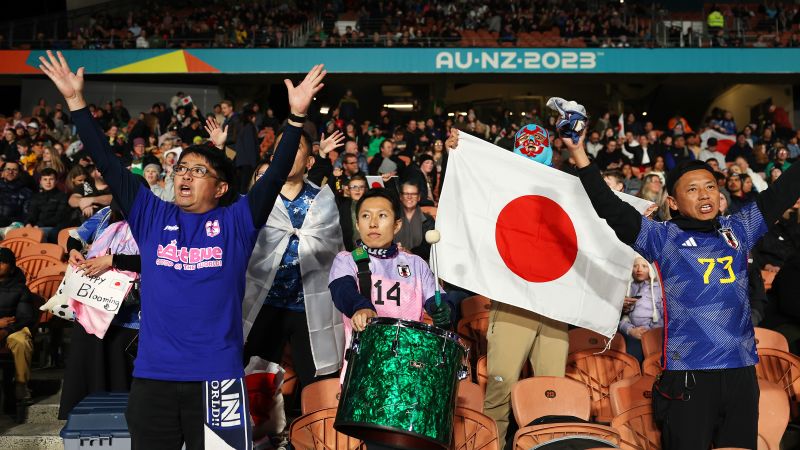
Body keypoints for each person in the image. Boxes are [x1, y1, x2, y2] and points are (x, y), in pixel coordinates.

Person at [39, 50, 326, 450]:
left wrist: (295, 119)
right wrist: (75, 103)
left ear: (221, 188)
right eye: (182, 168)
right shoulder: (151, 216)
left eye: (198, 170)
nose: (185, 175)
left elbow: (276, 172)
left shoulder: (237, 223)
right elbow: (107, 162)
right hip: (154, 378)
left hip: (219, 381)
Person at [563, 117, 800, 449]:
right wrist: (579, 153)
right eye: (692, 189)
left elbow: (784, 190)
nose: (705, 195)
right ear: (672, 203)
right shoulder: (661, 237)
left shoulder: (739, 228)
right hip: (690, 375)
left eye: (710, 187)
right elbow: (610, 209)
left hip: (742, 371)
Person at [241, 124, 345, 404]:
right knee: (256, 384)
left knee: (317, 384)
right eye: (279, 151)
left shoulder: (323, 201)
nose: (285, 155)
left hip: (311, 308)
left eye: (294, 150)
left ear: (310, 161)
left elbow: (336, 252)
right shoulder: (258, 198)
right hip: (265, 303)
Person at [0, 248, 36, 402]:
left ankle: (21, 385)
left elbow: (24, 317)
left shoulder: (21, 288)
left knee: (22, 341)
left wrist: (5, 330)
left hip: (13, 330)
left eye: (2, 262)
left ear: (12, 267)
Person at [620, 256, 663, 363]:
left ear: (651, 269)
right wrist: (630, 330)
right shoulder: (627, 288)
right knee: (632, 357)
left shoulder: (658, 290)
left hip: (654, 333)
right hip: (633, 332)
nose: (639, 269)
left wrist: (651, 331)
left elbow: (663, 315)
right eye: (635, 266)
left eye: (644, 266)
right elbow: (619, 319)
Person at [26, 168, 70, 242]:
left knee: (38, 234)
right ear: (40, 181)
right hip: (35, 227)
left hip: (52, 228)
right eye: (45, 179)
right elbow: (31, 213)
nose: (48, 182)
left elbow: (58, 217)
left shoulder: (63, 196)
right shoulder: (36, 196)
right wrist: (28, 223)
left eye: (51, 179)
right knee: (19, 233)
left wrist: (39, 225)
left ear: (56, 181)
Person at [396, 182, 435, 260]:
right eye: (406, 194)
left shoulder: (428, 220)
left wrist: (410, 253)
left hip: (419, 263)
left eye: (414, 194)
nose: (409, 197)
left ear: (418, 197)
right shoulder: (392, 218)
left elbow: (429, 248)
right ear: (401, 196)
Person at [337, 174, 368, 250]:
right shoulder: (343, 204)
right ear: (349, 190)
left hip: (369, 247)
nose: (357, 190)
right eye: (354, 187)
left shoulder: (372, 205)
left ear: (366, 189)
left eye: (361, 187)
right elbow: (332, 194)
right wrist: (336, 177)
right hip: (348, 248)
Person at [0, 160, 32, 228]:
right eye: (8, 169)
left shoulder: (25, 192)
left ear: (19, 173)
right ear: (2, 172)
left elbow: (26, 214)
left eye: (14, 170)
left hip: (13, 225)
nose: (11, 172)